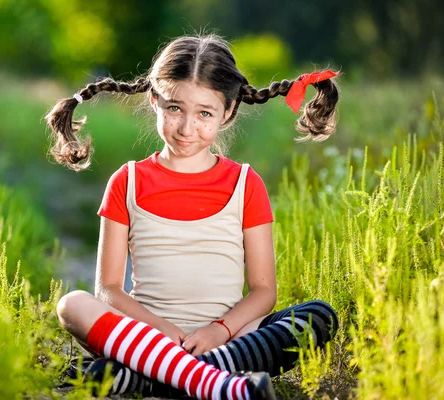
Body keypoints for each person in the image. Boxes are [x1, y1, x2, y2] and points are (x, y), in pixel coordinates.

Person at [46, 34, 340, 400]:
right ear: (154, 100)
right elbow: (108, 289)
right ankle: (214, 382)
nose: (187, 128)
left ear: (228, 111)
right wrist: (162, 330)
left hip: (227, 337)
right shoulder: (128, 181)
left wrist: (218, 331)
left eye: (205, 113)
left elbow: (264, 291)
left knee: (318, 316)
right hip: (147, 336)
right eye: (174, 109)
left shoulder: (246, 184)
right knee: (72, 305)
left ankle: (149, 376)